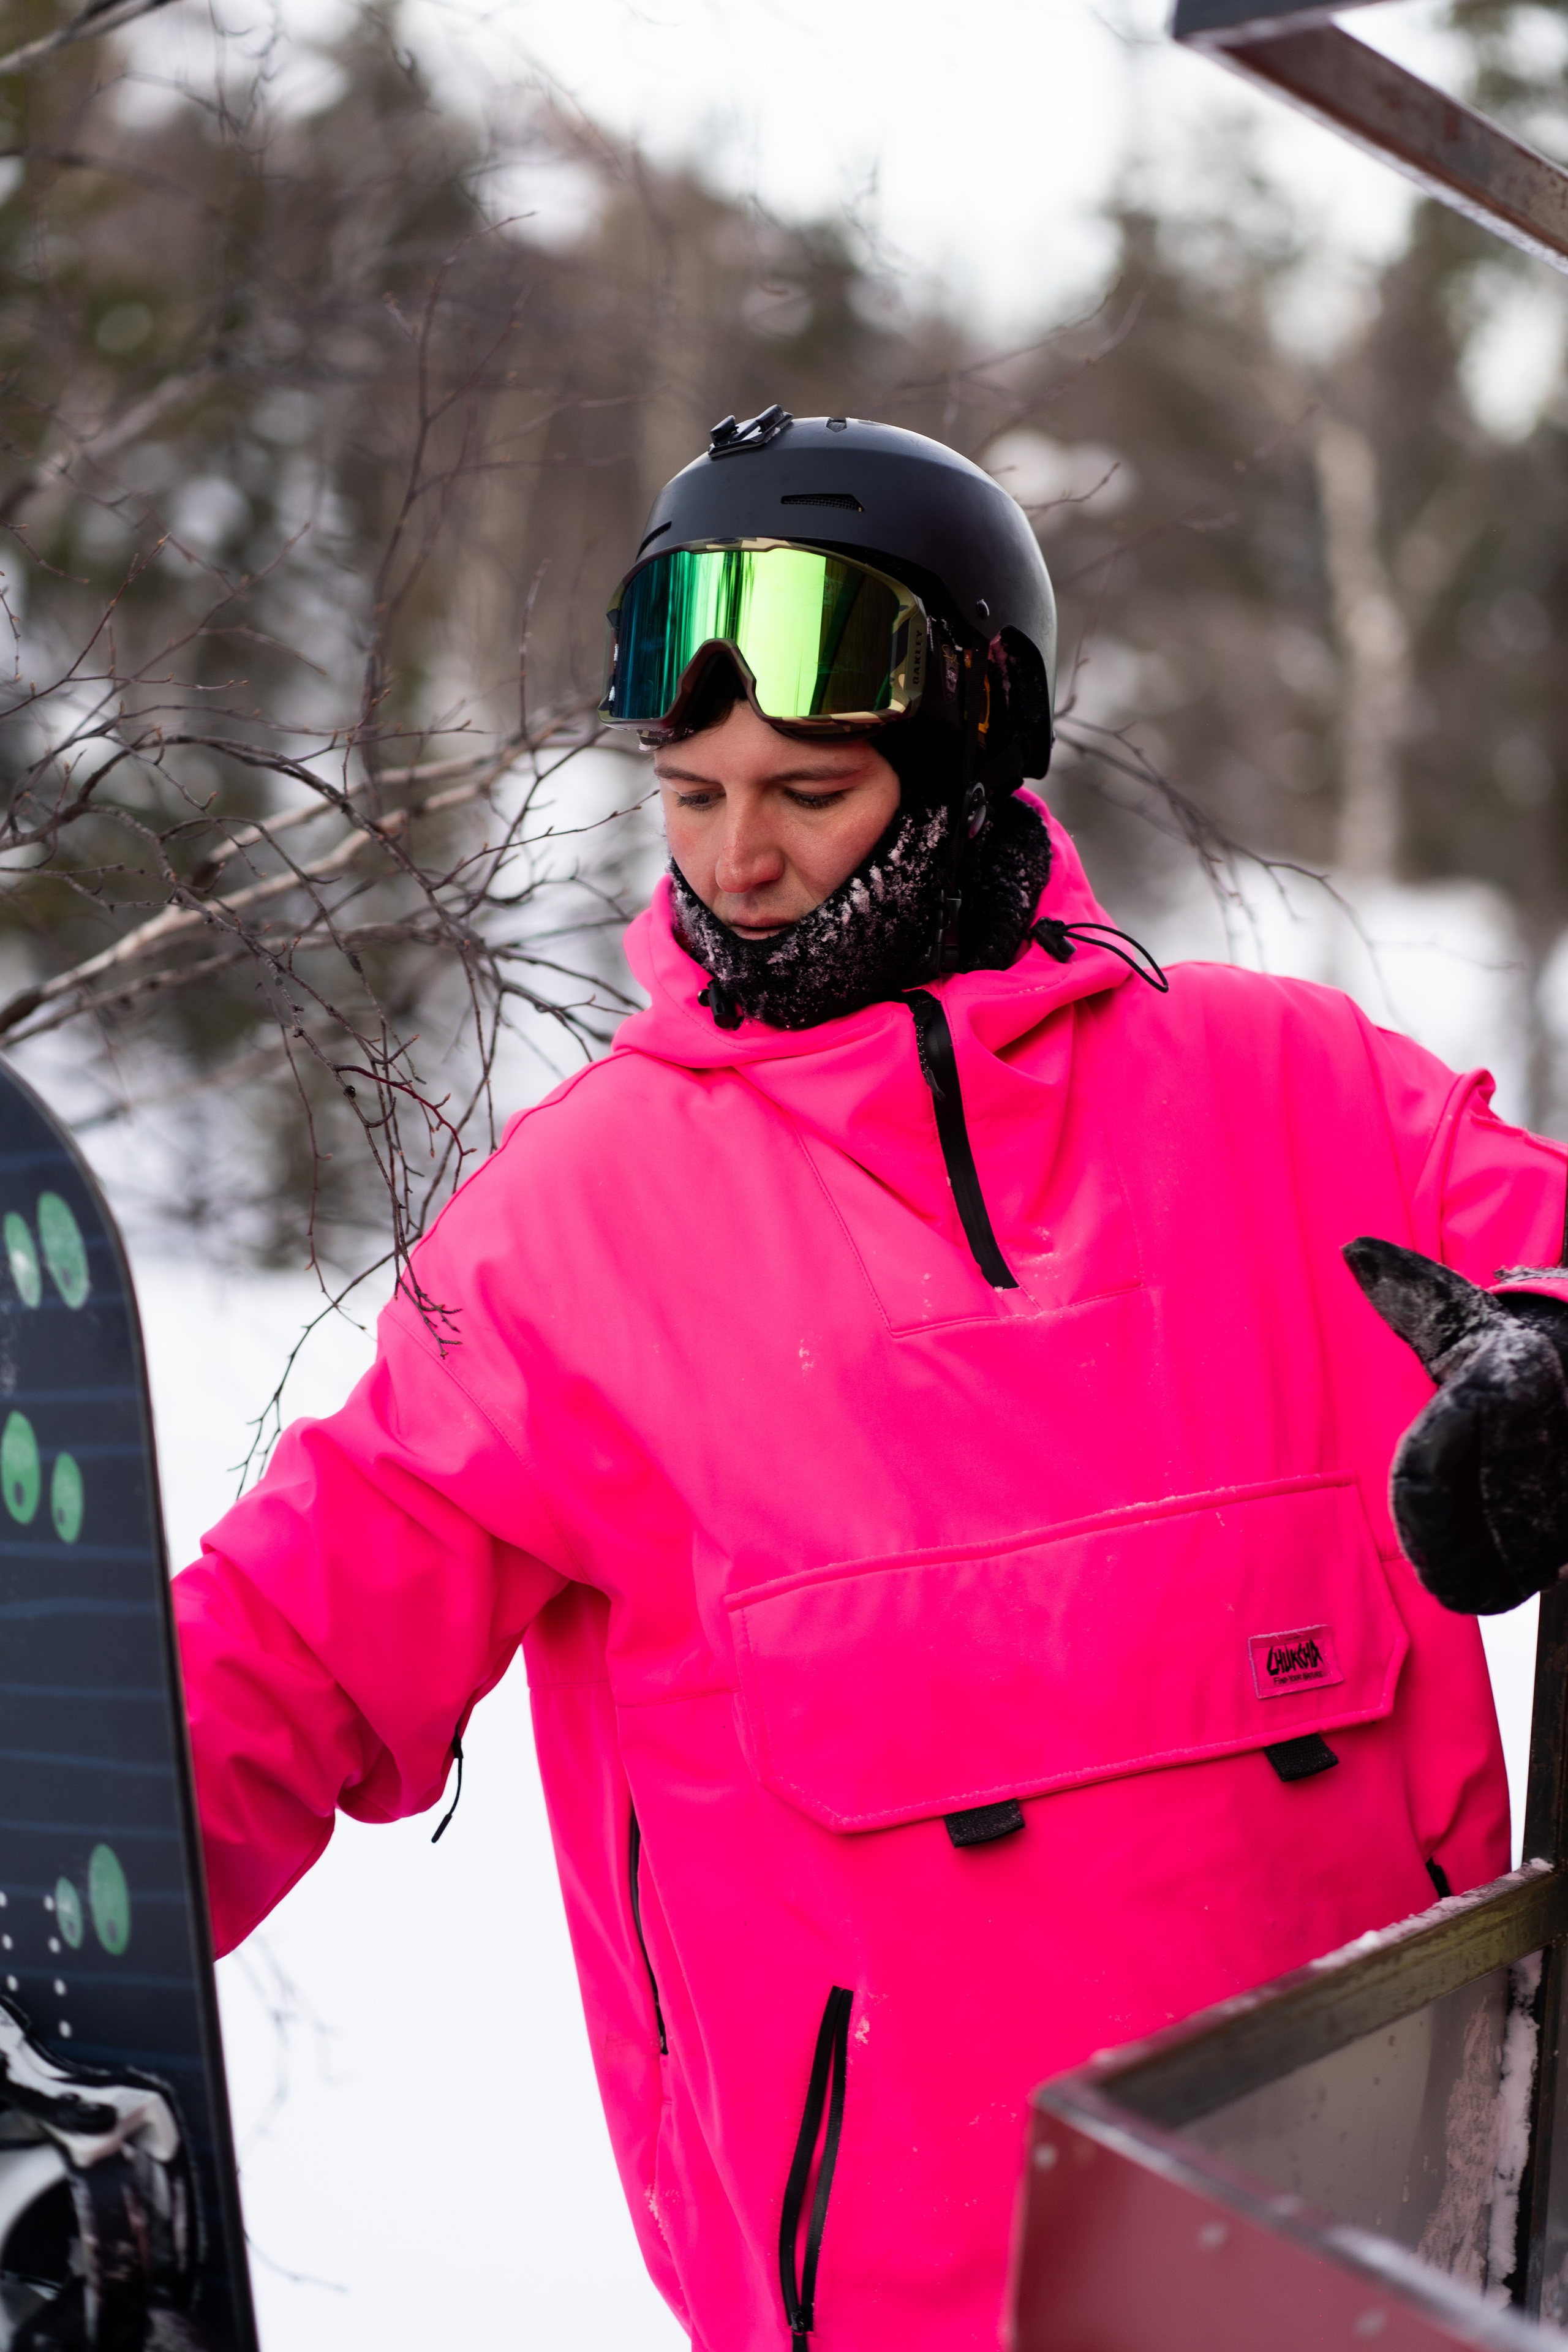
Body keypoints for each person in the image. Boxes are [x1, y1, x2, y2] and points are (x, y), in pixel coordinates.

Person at [173, 408, 1568, 2352]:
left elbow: (1550, 1256)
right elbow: (288, 1650)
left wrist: (1556, 1358)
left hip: (1374, 2265)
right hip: (913, 2303)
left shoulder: (1291, 1095)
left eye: (808, 788)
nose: (737, 860)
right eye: (687, 791)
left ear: (969, 759)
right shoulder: (580, 1234)